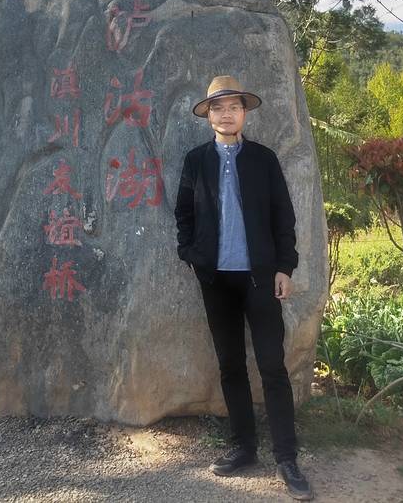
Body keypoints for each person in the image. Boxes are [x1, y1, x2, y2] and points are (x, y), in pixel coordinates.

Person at [174, 75, 313, 501]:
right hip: (216, 280)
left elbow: (283, 216)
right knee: (230, 364)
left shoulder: (263, 159)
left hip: (260, 277)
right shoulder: (196, 161)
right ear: (208, 116)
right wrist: (191, 255)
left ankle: (286, 458)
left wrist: (285, 267)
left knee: (272, 366)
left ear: (244, 113)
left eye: (233, 106)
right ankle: (244, 448)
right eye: (218, 107)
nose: (226, 113)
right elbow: (183, 213)